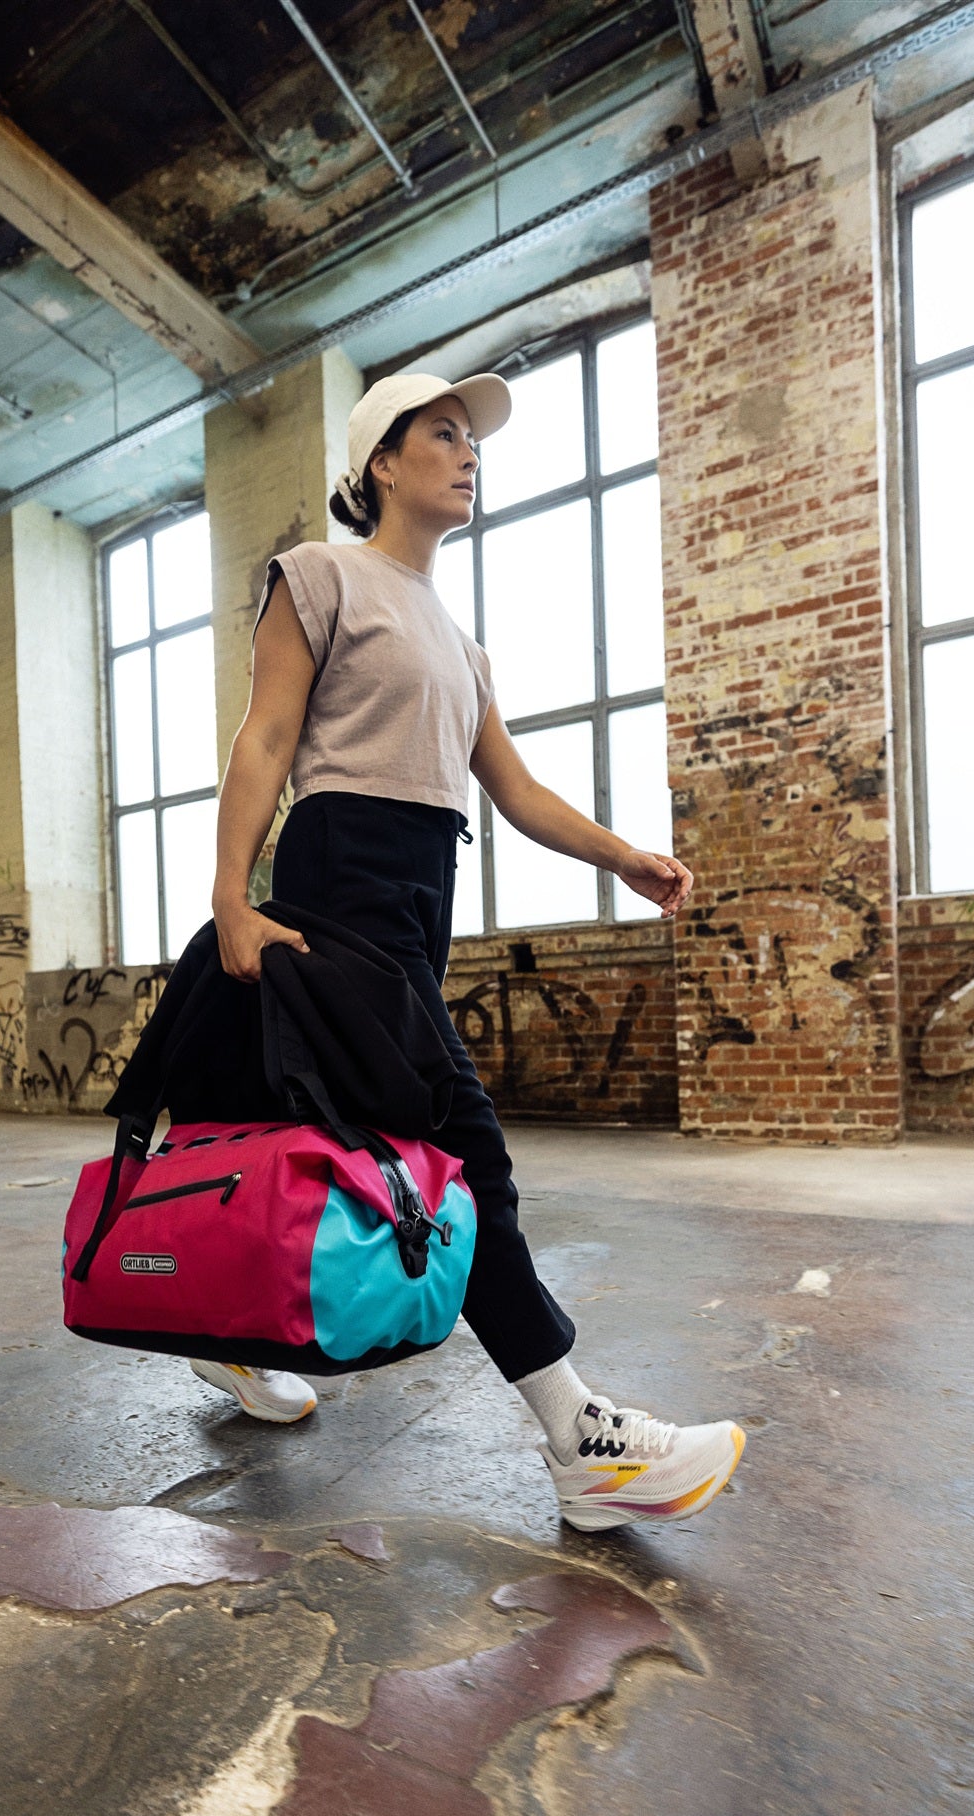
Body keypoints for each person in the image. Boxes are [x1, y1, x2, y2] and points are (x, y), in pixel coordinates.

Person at [201, 369, 744, 1531]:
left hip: (419, 898)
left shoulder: (461, 642)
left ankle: (230, 1332)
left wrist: (623, 856)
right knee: (462, 1143)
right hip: (340, 883)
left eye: (471, 439)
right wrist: (230, 899)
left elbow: (518, 790)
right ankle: (581, 1437)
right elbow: (265, 738)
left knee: (321, 1139)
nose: (466, 453)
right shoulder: (318, 576)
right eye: (441, 434)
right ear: (379, 464)